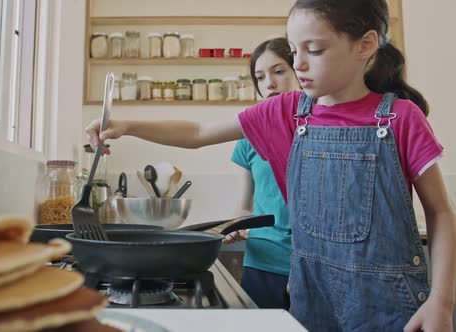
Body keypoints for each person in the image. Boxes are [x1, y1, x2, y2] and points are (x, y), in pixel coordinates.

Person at [85, 0, 456, 330]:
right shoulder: (288, 112)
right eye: (295, 50)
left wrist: (441, 301)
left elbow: (440, 212)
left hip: (391, 308)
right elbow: (198, 130)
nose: (300, 63)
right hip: (312, 302)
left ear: (365, 45)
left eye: (315, 49)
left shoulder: (400, 118)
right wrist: (128, 125)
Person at [223, 37, 300, 310]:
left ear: (300, 70)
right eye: (260, 77)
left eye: (279, 71)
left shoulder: (322, 128)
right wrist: (235, 226)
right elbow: (245, 205)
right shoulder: (248, 137)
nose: (269, 83)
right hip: (263, 261)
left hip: (313, 264)